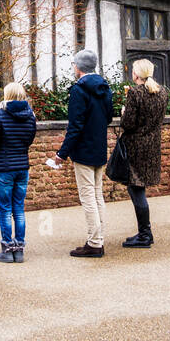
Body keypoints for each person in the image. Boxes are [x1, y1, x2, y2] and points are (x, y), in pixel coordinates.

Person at [48, 50, 112, 258]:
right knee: (97, 195)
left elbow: (74, 126)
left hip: (84, 150)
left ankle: (94, 243)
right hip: (99, 148)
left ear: (78, 67)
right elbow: (109, 117)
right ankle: (98, 239)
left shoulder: (79, 90)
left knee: (88, 197)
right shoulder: (105, 88)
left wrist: (61, 154)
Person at [118, 59, 167, 247]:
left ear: (136, 74)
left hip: (136, 146)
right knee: (138, 188)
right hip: (153, 146)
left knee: (136, 189)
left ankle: (145, 235)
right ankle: (144, 232)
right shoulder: (162, 92)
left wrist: (124, 112)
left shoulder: (135, 93)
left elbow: (128, 124)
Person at [0, 83, 36, 263]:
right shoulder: (30, 115)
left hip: (5, 167)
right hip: (22, 167)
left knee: (5, 209)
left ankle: (7, 250)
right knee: (19, 208)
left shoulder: (1, 115)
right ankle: (20, 249)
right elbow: (30, 138)